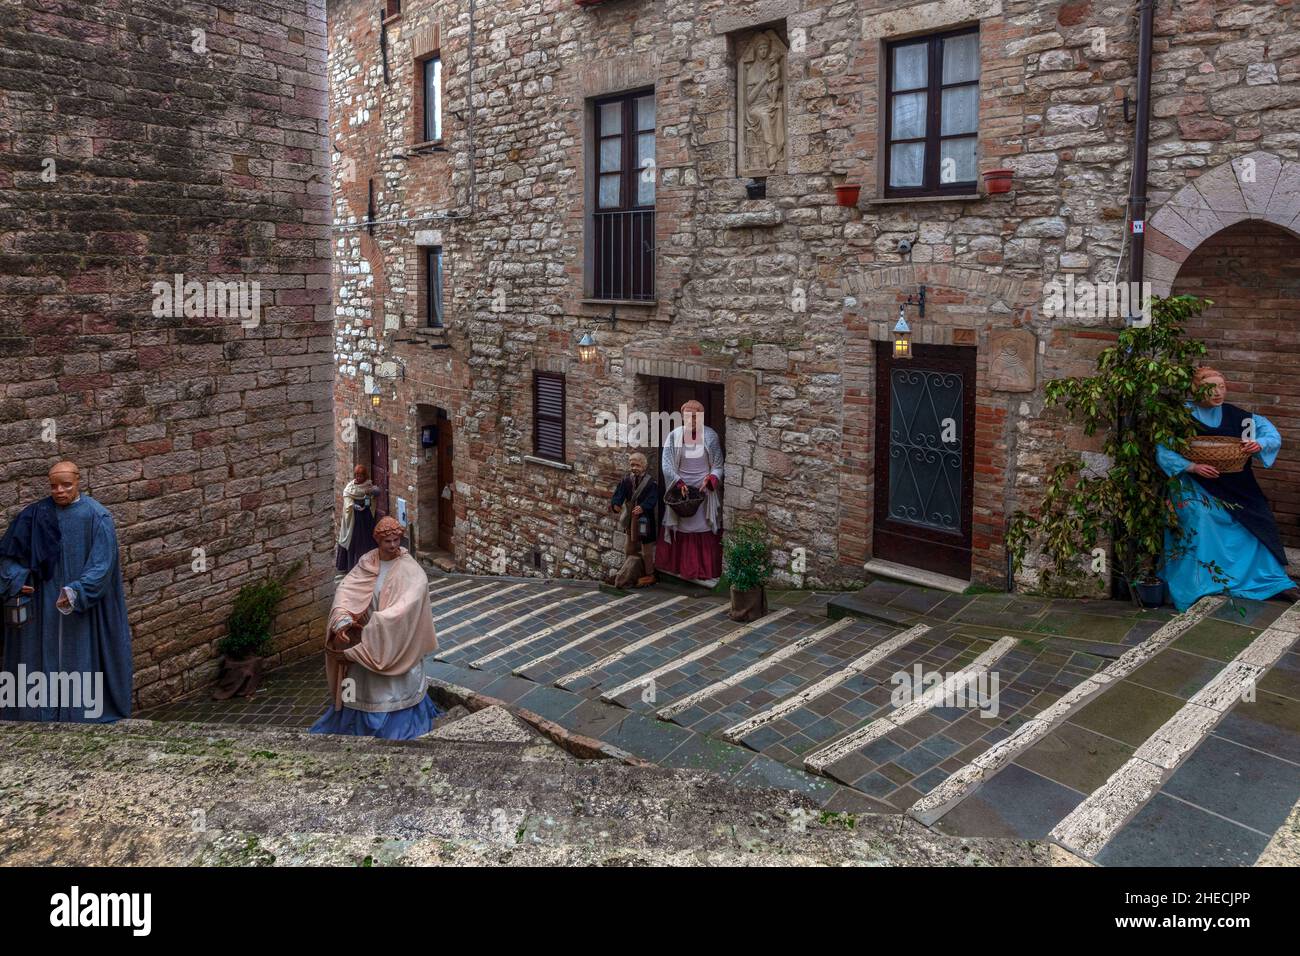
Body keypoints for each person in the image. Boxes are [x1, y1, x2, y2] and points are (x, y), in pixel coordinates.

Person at [1155, 367, 1300, 610]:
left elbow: (1270, 434)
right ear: (1196, 390)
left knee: (1256, 515)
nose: (1217, 393)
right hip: (1195, 483)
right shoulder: (1181, 417)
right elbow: (1162, 449)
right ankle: (1201, 584)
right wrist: (1192, 466)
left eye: (1221, 387)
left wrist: (1259, 443)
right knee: (1202, 516)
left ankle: (1268, 580)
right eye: (1211, 388)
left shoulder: (1240, 419)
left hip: (1236, 482)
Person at [0, 461, 132, 722]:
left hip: (78, 606)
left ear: (78, 481)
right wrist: (17, 578)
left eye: (66, 485)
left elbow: (102, 565)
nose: (59, 491)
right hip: (40, 605)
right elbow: (7, 556)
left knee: (77, 657)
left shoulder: (97, 516)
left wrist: (76, 591)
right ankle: (39, 712)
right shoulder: (33, 515)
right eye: (54, 486)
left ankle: (79, 712)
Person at [311, 516, 441, 739]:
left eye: (396, 540)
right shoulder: (367, 562)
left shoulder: (411, 568)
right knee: (360, 687)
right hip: (365, 640)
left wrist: (379, 626)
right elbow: (346, 590)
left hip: (396, 640)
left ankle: (396, 725)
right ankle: (354, 722)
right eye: (387, 541)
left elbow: (408, 604)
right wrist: (342, 617)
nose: (392, 545)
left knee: (394, 686)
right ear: (377, 541)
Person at [657, 399, 725, 587]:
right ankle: (678, 566)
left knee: (702, 526)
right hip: (682, 491)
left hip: (703, 492)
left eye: (695, 416)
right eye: (687, 415)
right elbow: (666, 464)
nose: (691, 419)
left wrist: (711, 480)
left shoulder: (710, 436)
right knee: (680, 526)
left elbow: (718, 465)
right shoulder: (673, 436)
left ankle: (703, 569)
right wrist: (677, 483)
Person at [610, 451, 659, 588]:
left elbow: (653, 498)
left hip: (645, 519)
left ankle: (649, 574)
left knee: (646, 548)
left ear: (644, 466)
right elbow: (619, 494)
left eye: (637, 465)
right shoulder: (626, 480)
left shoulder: (651, 483)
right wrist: (616, 504)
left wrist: (643, 507)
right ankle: (628, 571)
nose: (634, 468)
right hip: (630, 518)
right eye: (632, 465)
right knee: (629, 546)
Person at [335, 464, 378, 573]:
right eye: (357, 475)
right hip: (354, 518)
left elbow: (374, 494)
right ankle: (353, 566)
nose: (358, 478)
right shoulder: (350, 487)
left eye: (361, 476)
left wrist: (369, 497)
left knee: (367, 540)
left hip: (366, 517)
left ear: (365, 476)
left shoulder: (368, 485)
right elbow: (347, 497)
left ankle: (369, 564)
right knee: (355, 541)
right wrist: (354, 505)